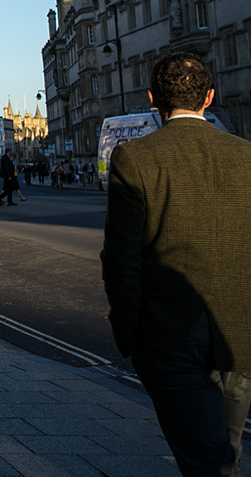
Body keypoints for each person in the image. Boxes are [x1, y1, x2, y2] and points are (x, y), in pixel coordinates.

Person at [101, 52, 251, 477]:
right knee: (226, 451)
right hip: (240, 331)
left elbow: (121, 260)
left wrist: (130, 332)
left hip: (169, 334)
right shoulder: (247, 156)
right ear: (209, 97)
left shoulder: (135, 158)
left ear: (153, 98)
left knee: (208, 460)